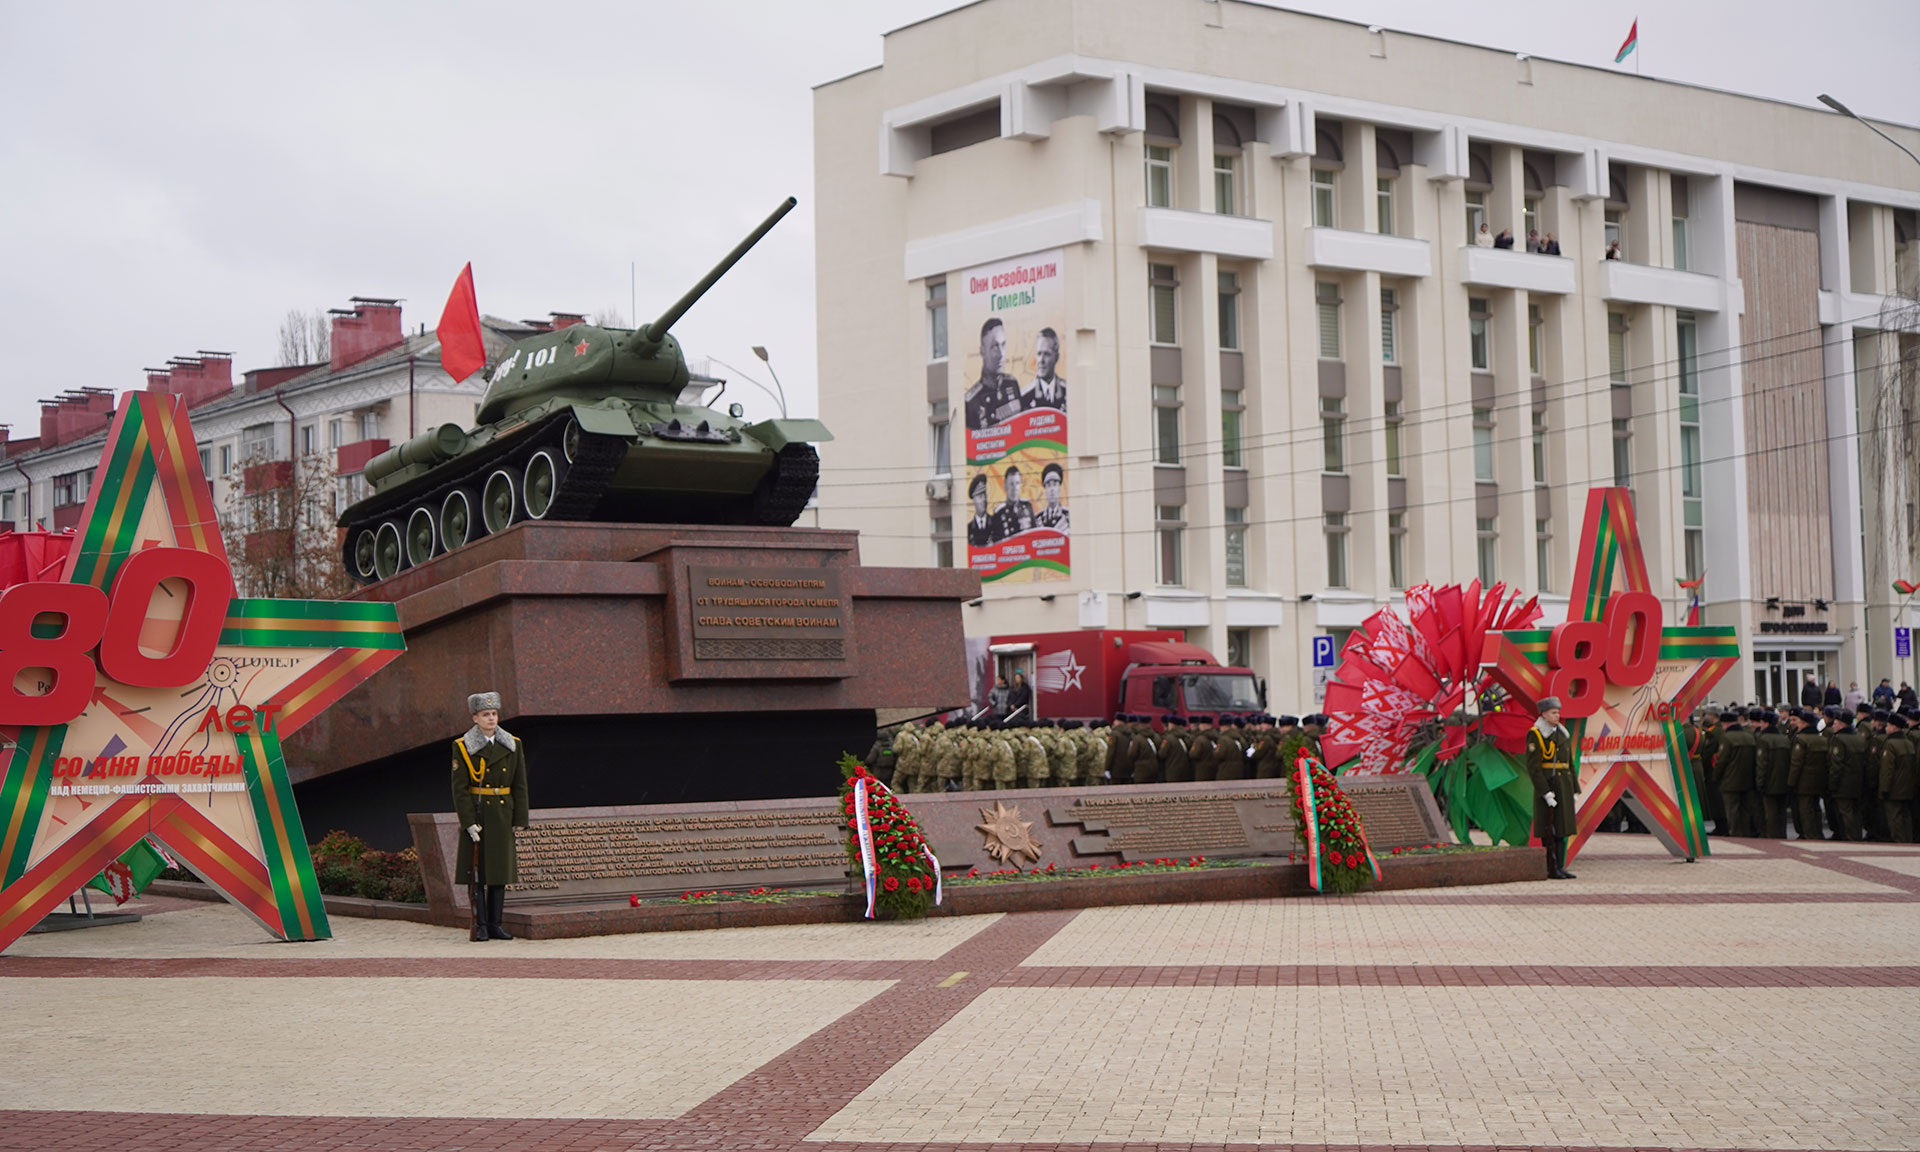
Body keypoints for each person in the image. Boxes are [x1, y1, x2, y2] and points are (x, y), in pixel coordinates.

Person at [451, 691, 529, 942]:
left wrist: (520, 819)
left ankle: (496, 924)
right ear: (475, 718)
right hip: (479, 815)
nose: (491, 718)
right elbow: (460, 789)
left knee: (499, 873)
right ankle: (481, 924)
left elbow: (520, 784)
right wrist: (468, 822)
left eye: (494, 713)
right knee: (478, 875)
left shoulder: (513, 744)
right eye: (485, 714)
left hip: (503, 813)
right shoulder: (463, 746)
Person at [1527, 697, 1579, 879]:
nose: (1557, 715)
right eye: (1553, 712)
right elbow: (1534, 768)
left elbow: (1569, 763)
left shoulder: (1562, 733)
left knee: (1563, 827)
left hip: (1564, 785)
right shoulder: (1536, 734)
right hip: (1549, 785)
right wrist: (1545, 792)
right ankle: (1551, 867)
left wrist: (1574, 788)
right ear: (1544, 714)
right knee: (1550, 829)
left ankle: (1560, 866)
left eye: (1558, 712)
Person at [963, 317, 1022, 431]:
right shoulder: (971, 401)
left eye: (1003, 345)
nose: (1001, 354)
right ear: (982, 351)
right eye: (995, 347)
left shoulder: (1012, 384)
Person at [1022, 328, 1067, 412]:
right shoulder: (1025, 397)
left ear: (1056, 357)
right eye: (1039, 354)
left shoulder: (1068, 392)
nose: (1041, 360)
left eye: (1046, 354)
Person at [991, 466, 1035, 539]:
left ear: (1020, 486)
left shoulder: (1027, 506)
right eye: (1011, 484)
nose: (1015, 488)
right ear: (1005, 486)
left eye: (1017, 483)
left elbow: (1035, 534)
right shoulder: (999, 513)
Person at [1034, 462, 1070, 533]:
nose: (1052, 489)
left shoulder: (1068, 516)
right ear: (1045, 490)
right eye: (1048, 485)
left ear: (1059, 488)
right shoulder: (1038, 519)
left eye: (1055, 484)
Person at [965, 473, 997, 548]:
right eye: (980, 496)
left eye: (985, 495)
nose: (984, 500)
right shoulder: (968, 529)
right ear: (974, 500)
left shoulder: (996, 523)